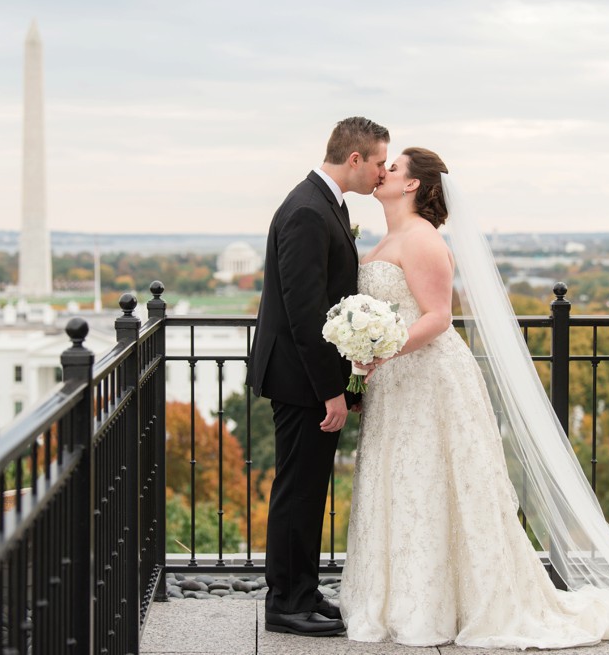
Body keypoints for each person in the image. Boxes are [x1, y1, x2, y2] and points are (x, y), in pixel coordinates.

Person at [339, 147, 609, 649]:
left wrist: (382, 348)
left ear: (412, 185)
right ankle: (400, 598)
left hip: (430, 380)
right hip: (396, 382)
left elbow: (436, 317)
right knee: (403, 483)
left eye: (393, 167)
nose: (382, 170)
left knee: (433, 480)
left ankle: (442, 605)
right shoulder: (390, 237)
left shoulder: (424, 239)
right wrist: (362, 355)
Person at [246, 116, 389, 637]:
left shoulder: (325, 203)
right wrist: (332, 390)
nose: (381, 172)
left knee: (308, 489)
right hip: (299, 378)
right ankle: (285, 602)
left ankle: (303, 590)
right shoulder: (308, 211)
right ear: (354, 159)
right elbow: (305, 312)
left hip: (305, 375)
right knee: (298, 491)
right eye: (378, 162)